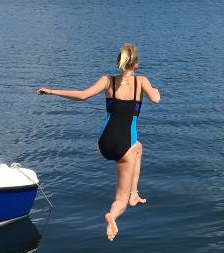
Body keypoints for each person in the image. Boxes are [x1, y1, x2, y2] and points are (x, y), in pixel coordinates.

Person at [37, 43, 161, 241]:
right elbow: (155, 99)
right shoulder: (142, 81)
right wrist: (155, 89)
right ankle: (114, 213)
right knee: (121, 197)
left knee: (139, 147)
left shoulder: (107, 80)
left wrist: (51, 91)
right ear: (136, 64)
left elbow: (82, 95)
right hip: (124, 145)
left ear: (118, 63)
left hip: (104, 142)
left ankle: (135, 193)